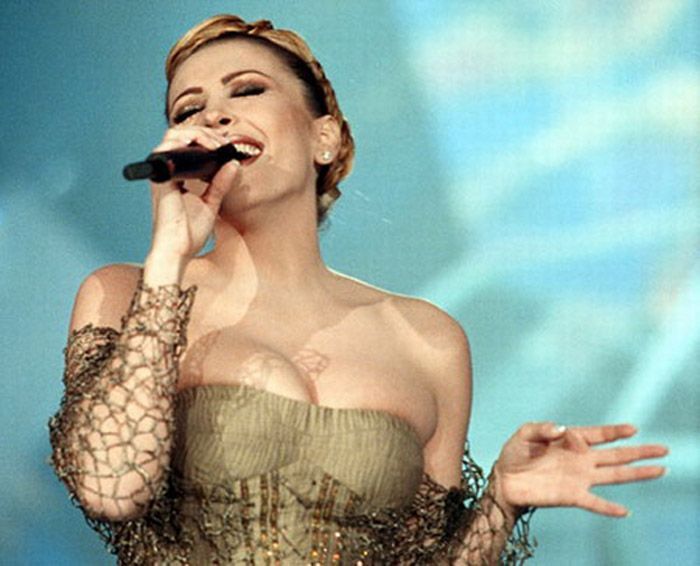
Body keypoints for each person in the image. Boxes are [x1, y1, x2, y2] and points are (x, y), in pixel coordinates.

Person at [48, 14, 668, 565]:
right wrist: (168, 259)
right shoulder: (125, 295)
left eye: (248, 90)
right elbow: (112, 487)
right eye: (188, 110)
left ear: (326, 138)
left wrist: (502, 502)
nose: (213, 115)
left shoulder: (426, 338)